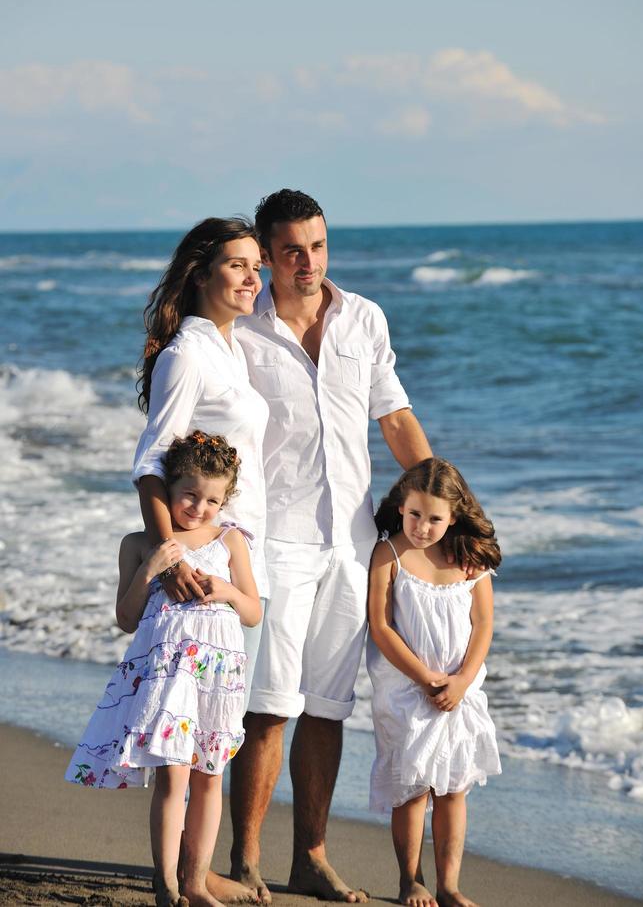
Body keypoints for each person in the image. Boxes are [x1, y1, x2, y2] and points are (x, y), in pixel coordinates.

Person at [227, 189, 433, 903]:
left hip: (352, 544)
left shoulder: (363, 318)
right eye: (290, 250)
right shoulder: (239, 330)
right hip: (272, 543)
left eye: (316, 246)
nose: (306, 262)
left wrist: (443, 504)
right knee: (268, 708)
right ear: (265, 252)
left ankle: (309, 857)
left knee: (326, 706)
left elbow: (395, 416)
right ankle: (245, 858)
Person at [65, 431, 262, 907]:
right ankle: (169, 883)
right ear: (167, 490)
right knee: (174, 775)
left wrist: (228, 592)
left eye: (212, 499)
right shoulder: (137, 544)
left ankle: (196, 881)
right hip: (169, 677)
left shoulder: (230, 540)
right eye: (189, 494)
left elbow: (253, 610)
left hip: (218, 677)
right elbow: (125, 618)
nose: (199, 507)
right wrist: (151, 567)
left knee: (210, 775)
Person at [133, 217, 269, 711]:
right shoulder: (187, 354)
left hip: (238, 560)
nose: (253, 278)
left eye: (257, 267)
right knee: (192, 742)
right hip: (202, 569)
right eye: (238, 266)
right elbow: (151, 460)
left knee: (214, 736)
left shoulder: (231, 349)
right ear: (201, 274)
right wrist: (172, 559)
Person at [367, 457, 502, 907]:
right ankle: (411, 880)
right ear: (401, 507)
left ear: (455, 515)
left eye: (435, 519)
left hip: (459, 692)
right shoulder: (390, 554)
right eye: (415, 515)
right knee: (413, 786)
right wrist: (425, 678)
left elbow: (483, 624)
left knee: (453, 787)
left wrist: (462, 680)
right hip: (407, 688)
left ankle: (449, 885)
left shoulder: (468, 560)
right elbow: (381, 626)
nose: (423, 527)